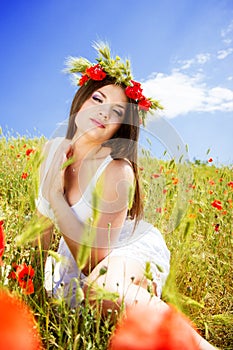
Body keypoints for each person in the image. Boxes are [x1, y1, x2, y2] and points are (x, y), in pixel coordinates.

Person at [35, 42, 216, 349]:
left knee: (103, 289)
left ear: (121, 126)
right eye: (97, 98)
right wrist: (29, 284)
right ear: (81, 100)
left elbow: (94, 258)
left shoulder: (117, 170)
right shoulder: (52, 151)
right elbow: (41, 230)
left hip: (121, 250)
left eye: (116, 111)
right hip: (73, 258)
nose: (103, 112)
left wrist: (56, 196)